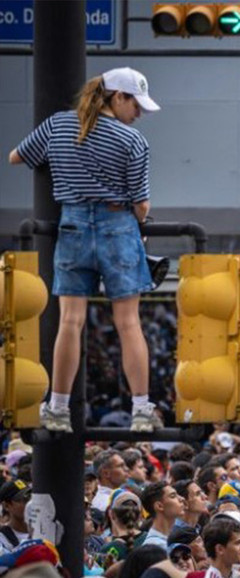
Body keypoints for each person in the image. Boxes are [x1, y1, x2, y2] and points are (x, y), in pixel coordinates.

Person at [9, 67, 161, 434]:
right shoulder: (132, 141)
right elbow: (141, 204)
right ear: (117, 97)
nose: (138, 113)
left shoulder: (59, 125)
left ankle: (58, 407)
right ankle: (141, 410)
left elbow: (16, 157)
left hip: (72, 226)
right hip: (118, 227)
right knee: (128, 323)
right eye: (135, 104)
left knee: (69, 322)